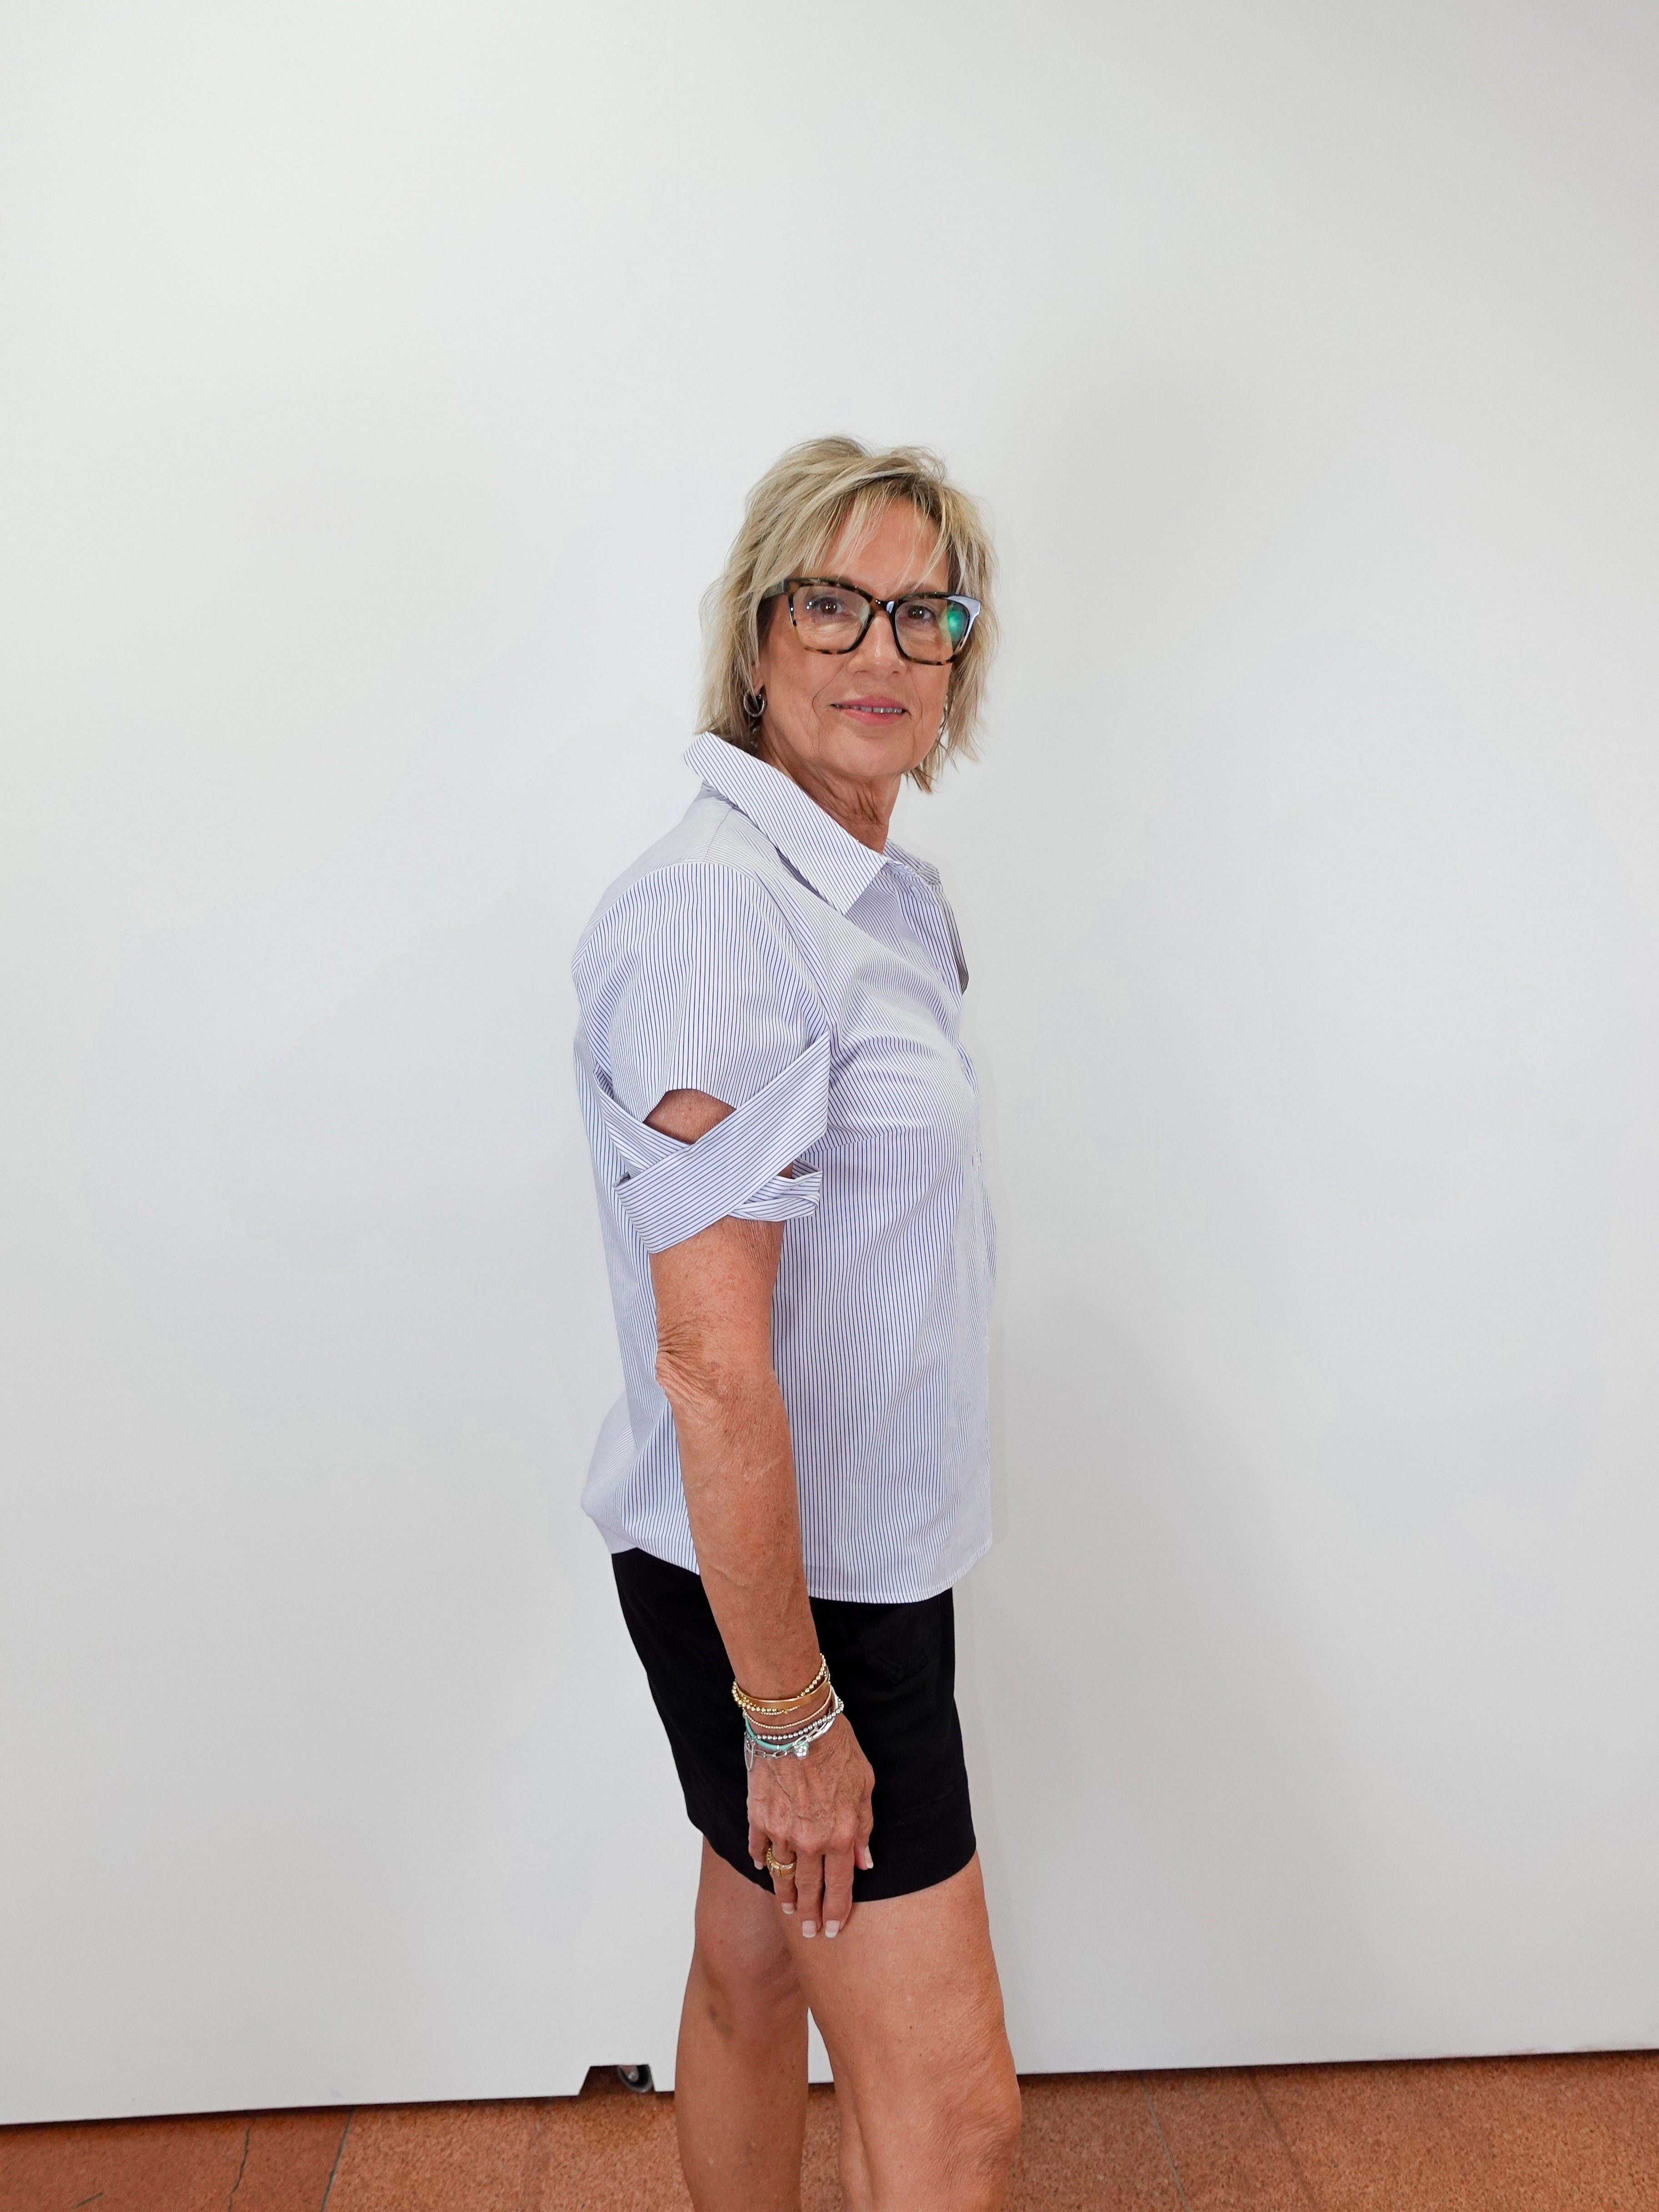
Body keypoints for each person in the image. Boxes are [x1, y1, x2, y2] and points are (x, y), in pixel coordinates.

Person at [572, 437, 1020, 2212]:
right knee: (959, 2119)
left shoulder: (875, 896)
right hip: (793, 1601)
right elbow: (707, 1358)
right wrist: (787, 1712)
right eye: (834, 601)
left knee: (756, 1971)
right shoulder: (718, 918)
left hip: (854, 1559)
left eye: (926, 613)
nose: (882, 649)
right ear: (758, 639)